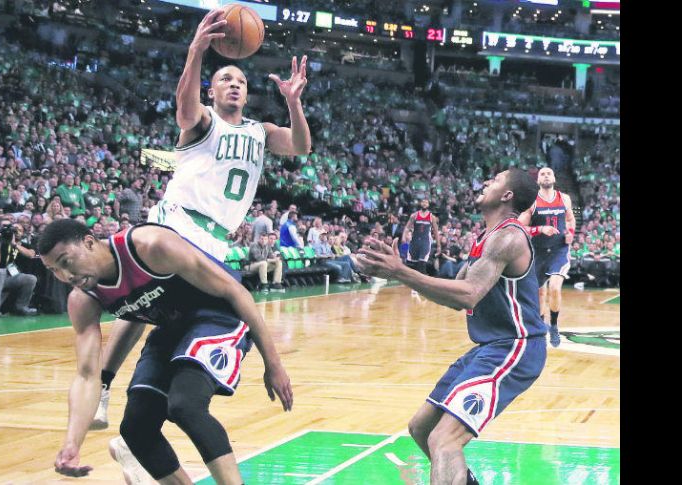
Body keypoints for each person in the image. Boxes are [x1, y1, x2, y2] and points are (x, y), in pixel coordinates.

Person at [95, 7, 311, 430]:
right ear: (211, 92)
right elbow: (183, 107)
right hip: (176, 220)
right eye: (225, 79)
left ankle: (142, 418)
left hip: (216, 239)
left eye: (241, 81)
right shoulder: (203, 121)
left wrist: (293, 103)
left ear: (247, 95)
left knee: (174, 318)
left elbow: (301, 146)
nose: (234, 84)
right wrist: (195, 51)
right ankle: (101, 387)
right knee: (142, 306)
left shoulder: (260, 132)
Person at [38, 219, 293, 484]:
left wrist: (273, 363)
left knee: (185, 405)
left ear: (89, 242)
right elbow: (87, 375)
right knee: (135, 428)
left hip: (218, 316)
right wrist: (72, 444)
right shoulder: (82, 298)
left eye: (66, 262)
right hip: (171, 328)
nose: (65, 276)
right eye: (53, 270)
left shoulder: (151, 245)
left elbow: (235, 291)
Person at [354, 169, 547, 485]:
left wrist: (401, 271)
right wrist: (400, 273)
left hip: (516, 347)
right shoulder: (484, 237)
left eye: (495, 181)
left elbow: (470, 293)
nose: (485, 183)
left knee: (444, 440)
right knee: (422, 429)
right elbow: (457, 297)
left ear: (508, 195)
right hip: (489, 346)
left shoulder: (508, 236)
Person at [517, 167, 576, 347]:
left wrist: (571, 232)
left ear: (554, 178)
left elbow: (570, 219)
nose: (546, 176)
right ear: (538, 180)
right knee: (540, 293)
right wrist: (540, 229)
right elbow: (519, 226)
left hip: (559, 249)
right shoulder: (532, 202)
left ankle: (555, 326)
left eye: (549, 173)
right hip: (538, 251)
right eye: (542, 174)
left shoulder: (564, 198)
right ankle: (542, 326)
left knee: (555, 288)